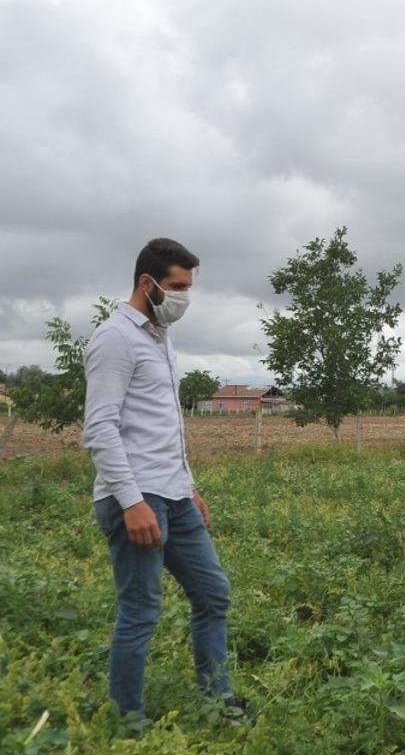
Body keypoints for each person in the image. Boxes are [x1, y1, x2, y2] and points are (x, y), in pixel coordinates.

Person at [83, 238, 239, 718]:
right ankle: (127, 719)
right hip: (136, 496)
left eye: (189, 287)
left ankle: (218, 699)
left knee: (213, 593)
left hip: (174, 494)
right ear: (146, 283)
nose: (184, 298)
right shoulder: (115, 338)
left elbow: (164, 423)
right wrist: (131, 502)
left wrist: (189, 485)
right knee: (141, 610)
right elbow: (100, 427)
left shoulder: (160, 338)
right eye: (176, 286)